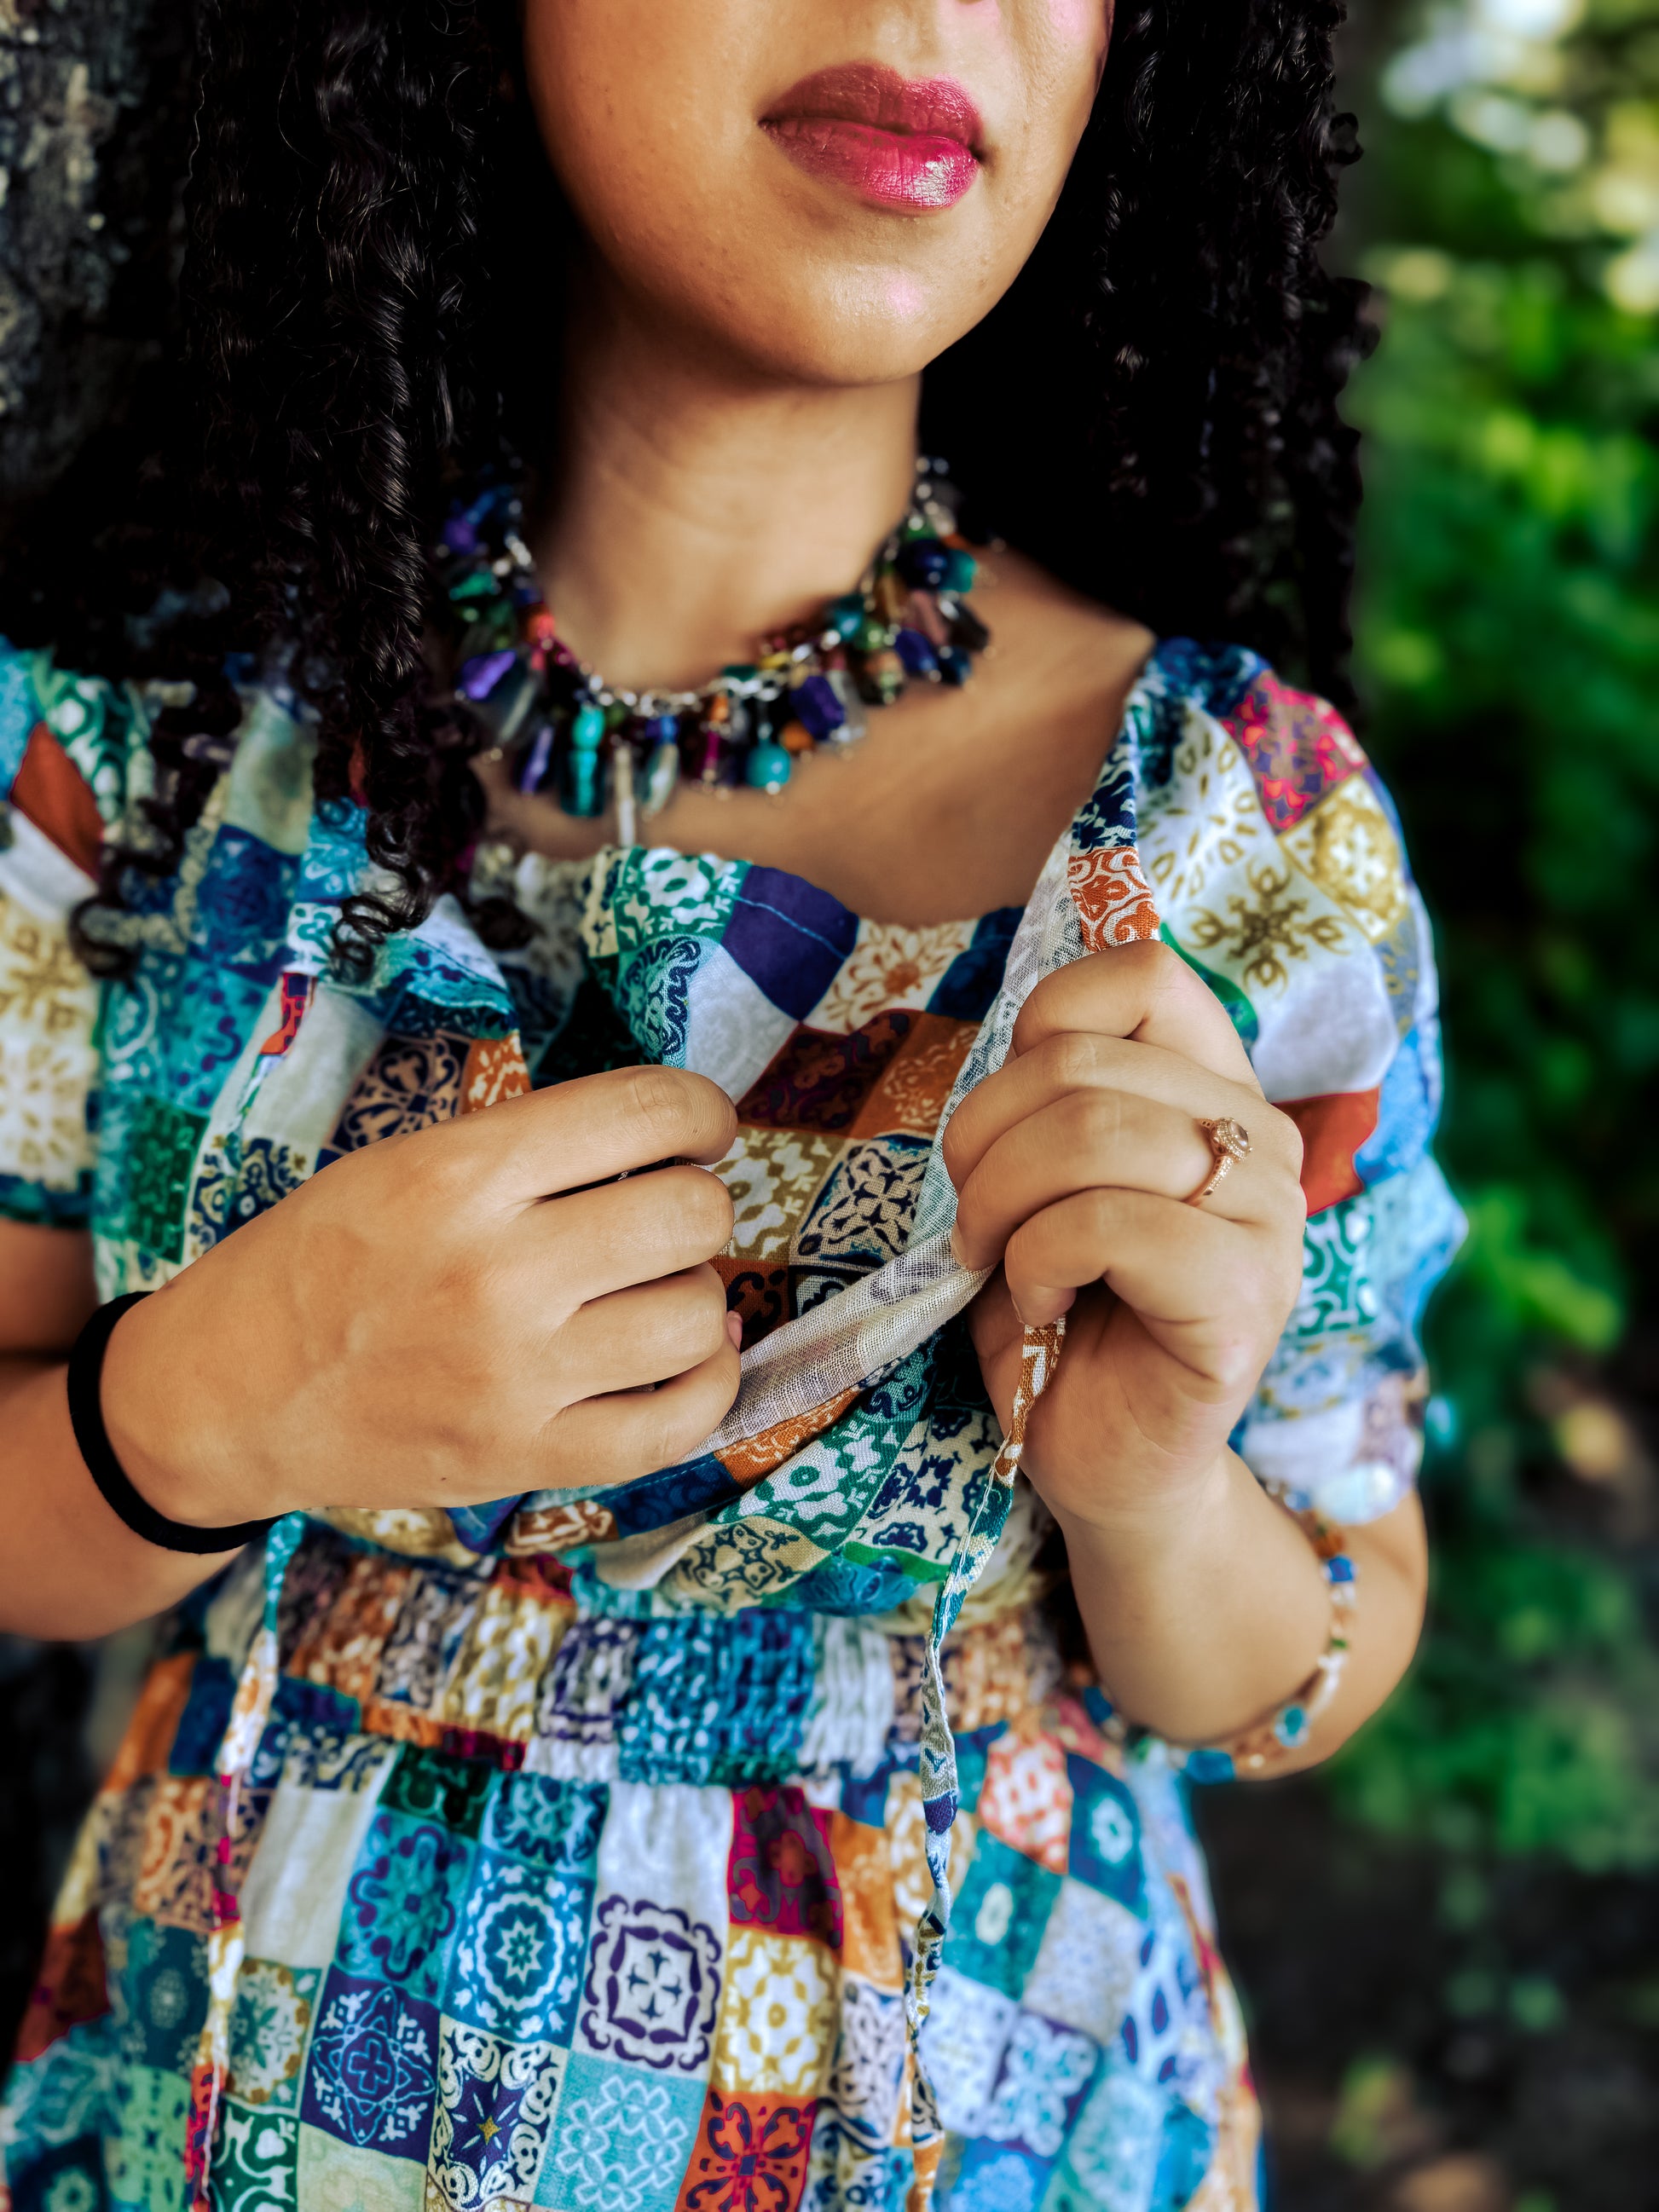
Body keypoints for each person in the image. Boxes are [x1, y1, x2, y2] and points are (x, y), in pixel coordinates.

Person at [0, 0, 1465, 2205]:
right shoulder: (125, 753)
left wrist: (1155, 1489)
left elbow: (1321, 1649)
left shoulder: (1232, 833)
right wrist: (225, 1392)